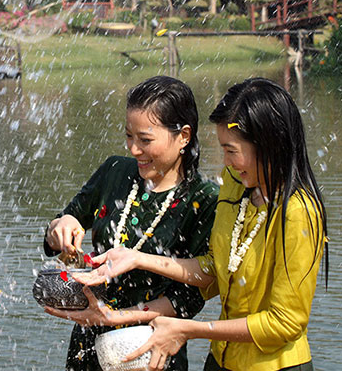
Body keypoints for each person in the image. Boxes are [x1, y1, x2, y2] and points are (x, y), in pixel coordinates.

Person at [75, 77, 328, 371]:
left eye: (232, 150)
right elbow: (214, 268)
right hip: (220, 361)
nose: (226, 161)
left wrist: (190, 329)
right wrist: (137, 258)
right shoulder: (238, 184)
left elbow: (285, 323)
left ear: (270, 145)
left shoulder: (298, 213)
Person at [43, 76, 219, 371]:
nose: (134, 149)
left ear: (184, 136)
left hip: (152, 348)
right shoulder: (115, 171)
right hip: (88, 341)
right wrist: (61, 227)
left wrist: (117, 316)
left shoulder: (204, 199)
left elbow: (191, 296)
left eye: (145, 140)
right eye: (129, 136)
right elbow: (66, 222)